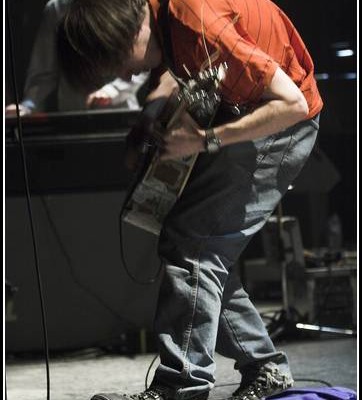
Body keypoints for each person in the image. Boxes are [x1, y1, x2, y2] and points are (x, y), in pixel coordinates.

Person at [57, 0, 323, 400]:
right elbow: (174, 66)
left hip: (284, 124)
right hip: (252, 115)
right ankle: (265, 366)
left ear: (130, 32)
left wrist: (203, 140)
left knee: (196, 249)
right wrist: (151, 117)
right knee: (189, 246)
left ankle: (181, 387)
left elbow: (291, 104)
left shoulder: (195, 18)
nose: (124, 75)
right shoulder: (167, 16)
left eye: (118, 64)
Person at [5, 0, 148, 116]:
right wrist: (29, 106)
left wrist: (112, 90)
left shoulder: (122, 4)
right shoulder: (57, 9)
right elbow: (43, 71)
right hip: (74, 114)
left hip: (118, 110)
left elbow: (141, 59)